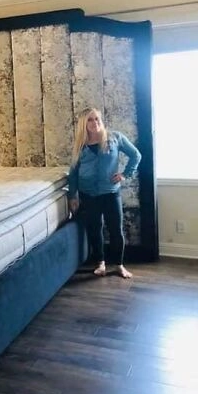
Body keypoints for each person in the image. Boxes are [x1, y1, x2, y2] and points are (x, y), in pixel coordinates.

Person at [67, 107, 141, 279]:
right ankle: (100, 262)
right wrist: (72, 195)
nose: (94, 122)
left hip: (110, 192)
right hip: (87, 194)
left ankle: (119, 265)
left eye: (97, 118)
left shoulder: (115, 138)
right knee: (95, 228)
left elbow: (136, 155)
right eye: (90, 120)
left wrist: (125, 174)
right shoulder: (80, 145)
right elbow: (73, 172)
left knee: (116, 229)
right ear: (84, 124)